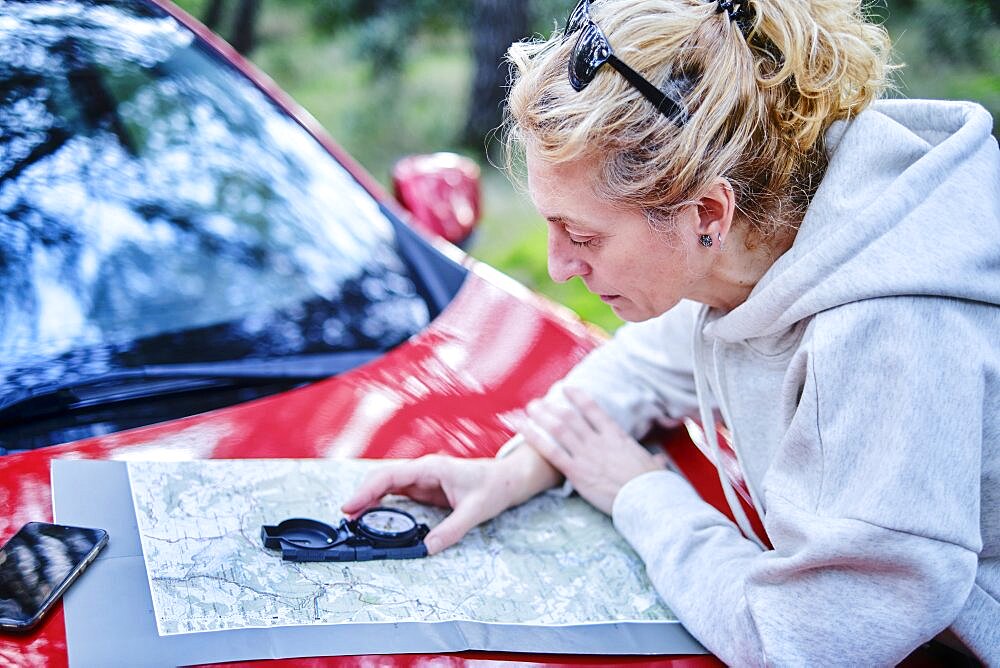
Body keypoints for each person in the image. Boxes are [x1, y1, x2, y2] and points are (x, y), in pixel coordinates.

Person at [343, 0, 1000, 663]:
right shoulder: (757, 242)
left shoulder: (888, 340)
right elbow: (640, 369)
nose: (557, 266)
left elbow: (807, 640)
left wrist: (637, 492)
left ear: (707, 212)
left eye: (582, 233)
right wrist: (508, 473)